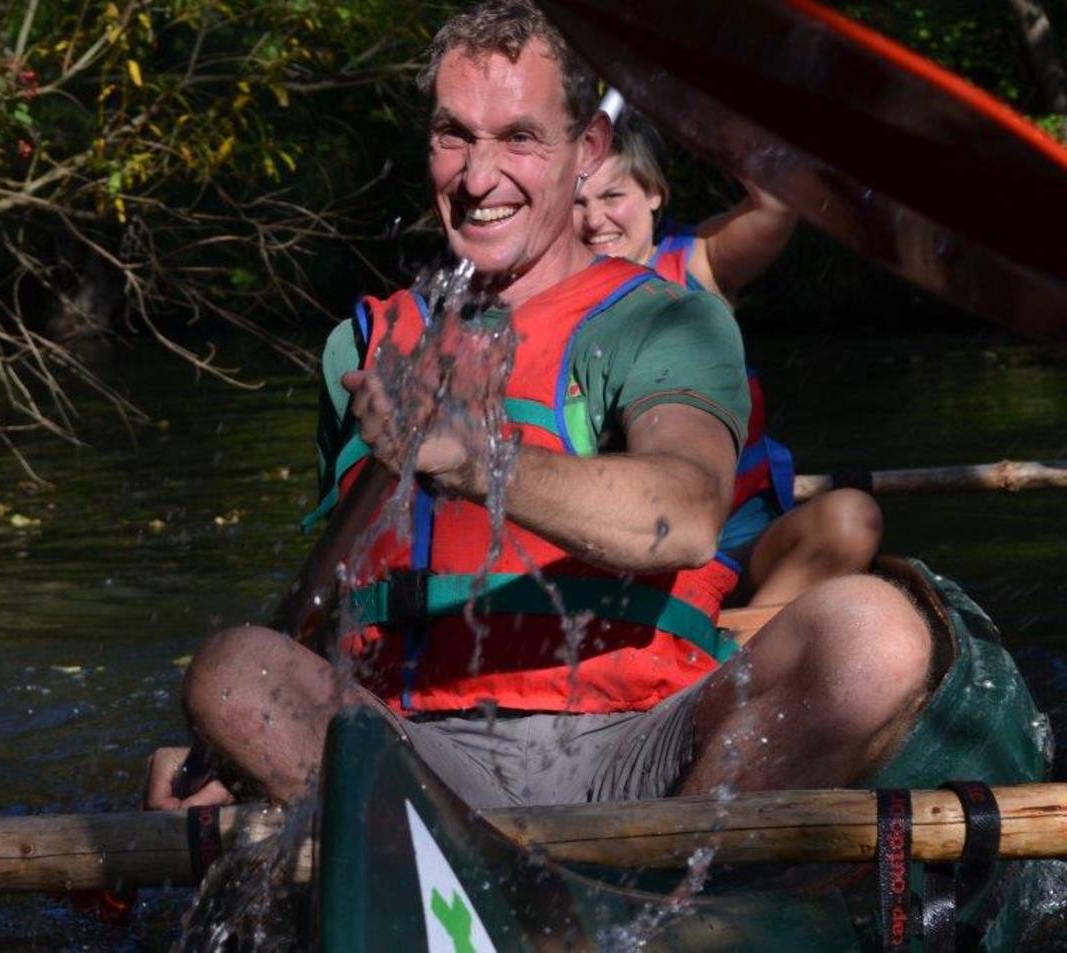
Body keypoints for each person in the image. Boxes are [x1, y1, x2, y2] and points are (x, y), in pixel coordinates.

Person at [144, 0, 930, 813]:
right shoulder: (360, 347)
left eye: (519, 137)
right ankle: (433, 850)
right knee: (234, 672)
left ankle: (670, 877)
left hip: (641, 743)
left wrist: (476, 461)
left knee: (876, 634)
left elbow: (693, 514)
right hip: (412, 750)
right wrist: (233, 754)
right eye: (454, 136)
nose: (478, 178)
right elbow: (339, 600)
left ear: (586, 147)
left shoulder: (667, 319)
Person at [577, 112, 882, 611]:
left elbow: (776, 203)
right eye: (577, 202)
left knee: (851, 519)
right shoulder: (545, 287)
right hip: (618, 557)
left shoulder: (700, 261)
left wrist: (693, 110)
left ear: (654, 193)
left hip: (738, 544)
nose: (594, 221)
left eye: (612, 196)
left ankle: (739, 644)